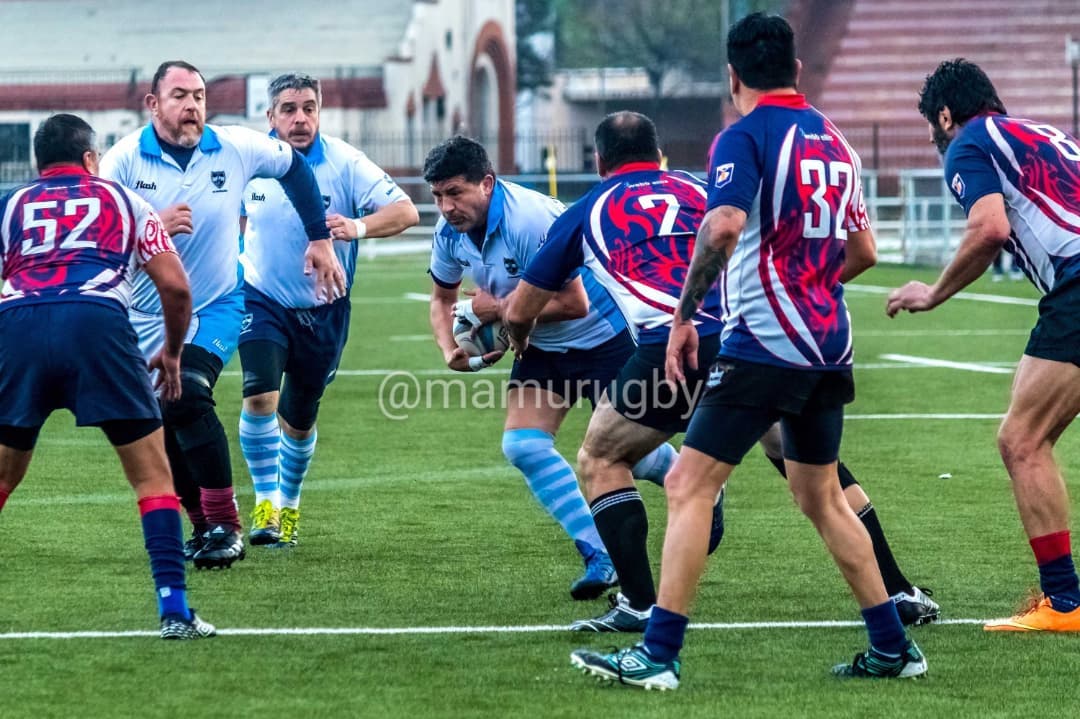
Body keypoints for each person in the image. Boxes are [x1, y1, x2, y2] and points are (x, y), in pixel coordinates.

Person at [568, 14, 927, 690]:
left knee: (686, 483)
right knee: (821, 497)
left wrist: (682, 315)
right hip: (829, 343)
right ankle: (893, 644)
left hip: (765, 342)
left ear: (733, 78)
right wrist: (811, 284)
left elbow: (725, 222)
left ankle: (658, 653)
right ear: (796, 69)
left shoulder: (744, 136)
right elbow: (865, 252)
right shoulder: (836, 141)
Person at [506, 110, 938, 633]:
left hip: (672, 345)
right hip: (750, 339)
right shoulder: (701, 187)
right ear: (659, 154)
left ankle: (641, 604)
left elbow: (519, 309)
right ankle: (899, 593)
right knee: (807, 469)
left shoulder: (585, 209)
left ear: (599, 162)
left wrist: (514, 340)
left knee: (601, 456)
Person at [99, 61, 345, 569]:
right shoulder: (122, 161)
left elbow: (295, 170)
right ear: (153, 104)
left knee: (188, 392)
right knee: (159, 422)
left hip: (216, 304)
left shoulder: (235, 146)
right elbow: (102, 237)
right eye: (179, 96)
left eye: (199, 95)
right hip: (144, 312)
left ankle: (225, 525)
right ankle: (201, 525)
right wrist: (150, 226)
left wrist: (320, 237)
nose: (192, 106)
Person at [425, 136, 678, 599]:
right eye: (438, 196)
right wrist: (449, 348)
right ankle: (600, 552)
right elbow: (442, 299)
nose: (446, 206)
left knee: (630, 453)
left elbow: (574, 303)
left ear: (486, 183)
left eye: (455, 193)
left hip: (600, 336)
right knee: (523, 445)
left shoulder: (532, 218)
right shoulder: (449, 233)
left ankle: (686, 479)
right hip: (538, 344)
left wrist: (498, 311)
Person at [0, 113, 213, 639]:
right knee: (152, 477)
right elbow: (178, 290)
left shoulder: (10, 204)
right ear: (91, 160)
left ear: (37, 164)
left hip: (19, 325)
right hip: (98, 325)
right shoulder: (124, 200)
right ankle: (175, 611)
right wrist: (171, 351)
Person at [888, 58, 1080, 632]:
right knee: (1021, 431)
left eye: (931, 127)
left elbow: (990, 228)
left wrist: (935, 292)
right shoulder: (1042, 133)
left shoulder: (969, 142)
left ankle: (1065, 604)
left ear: (946, 114)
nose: (933, 140)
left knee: (1022, 440)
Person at [237, 73, 419, 548]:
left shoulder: (343, 162)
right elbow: (233, 218)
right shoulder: (249, 161)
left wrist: (356, 227)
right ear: (270, 116)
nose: (300, 118)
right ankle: (265, 506)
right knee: (259, 397)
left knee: (298, 423)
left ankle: (290, 507)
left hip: (325, 312)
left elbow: (405, 212)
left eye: (309, 107)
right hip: (261, 300)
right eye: (289, 109)